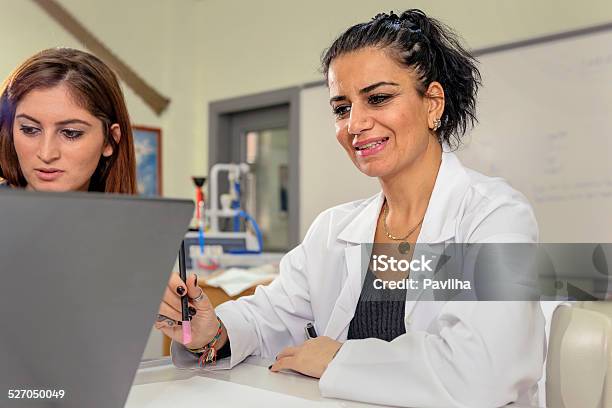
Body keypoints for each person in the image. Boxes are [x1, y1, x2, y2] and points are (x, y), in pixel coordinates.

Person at [156, 9, 545, 407]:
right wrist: (212, 332)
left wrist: (338, 358)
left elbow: (482, 371)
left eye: (378, 98)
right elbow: (270, 315)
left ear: (432, 104)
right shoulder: (334, 229)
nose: (355, 123)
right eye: (341, 108)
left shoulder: (494, 216)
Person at [0, 47, 137, 193]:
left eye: (70, 133)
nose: (46, 154)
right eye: (29, 129)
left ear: (110, 141)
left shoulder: (138, 215)